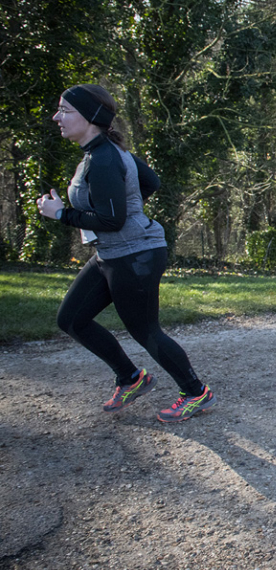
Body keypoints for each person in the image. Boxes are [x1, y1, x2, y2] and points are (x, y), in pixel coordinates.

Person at [36, 84, 216, 423]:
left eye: (65, 110)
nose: (57, 117)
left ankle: (196, 392)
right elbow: (149, 183)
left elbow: (111, 218)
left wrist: (60, 214)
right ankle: (131, 378)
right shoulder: (101, 152)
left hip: (136, 256)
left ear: (89, 117)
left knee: (146, 330)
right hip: (112, 253)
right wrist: (130, 208)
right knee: (72, 319)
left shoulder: (103, 159)